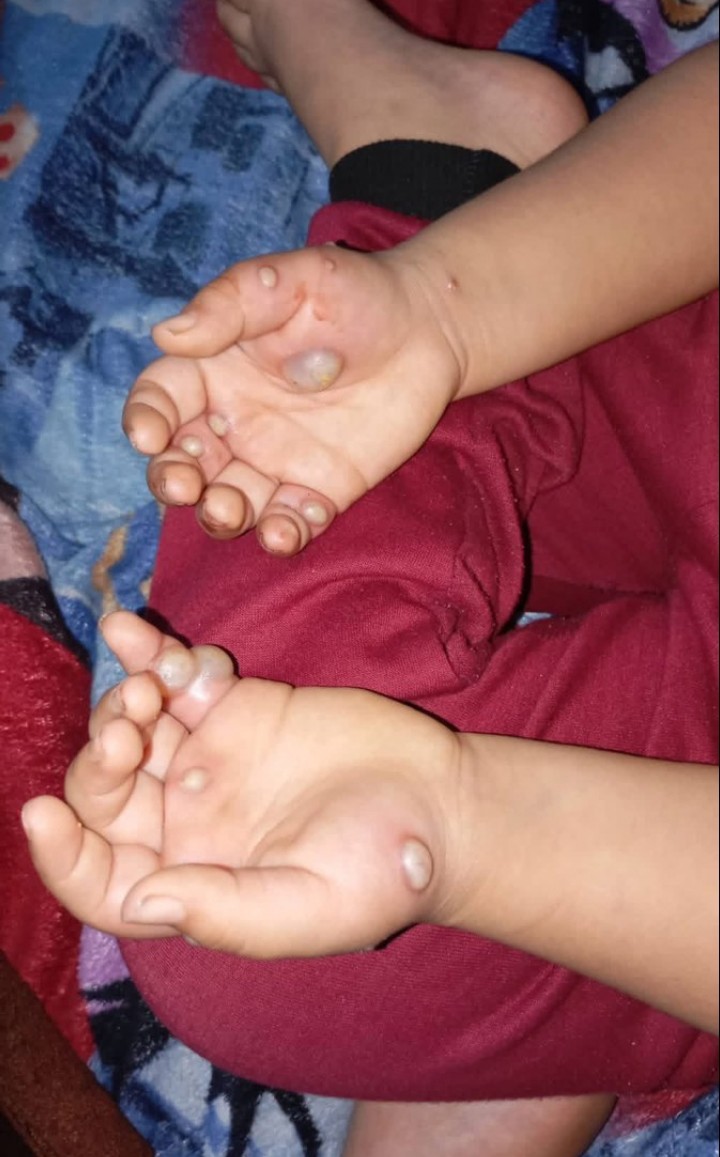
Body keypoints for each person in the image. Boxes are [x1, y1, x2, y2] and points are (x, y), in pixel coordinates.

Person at [22, 1, 720, 1155]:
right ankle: (438, 180)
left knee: (234, 848)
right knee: (306, 426)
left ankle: (450, 172)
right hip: (660, 356)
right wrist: (445, 307)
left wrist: (462, 826)